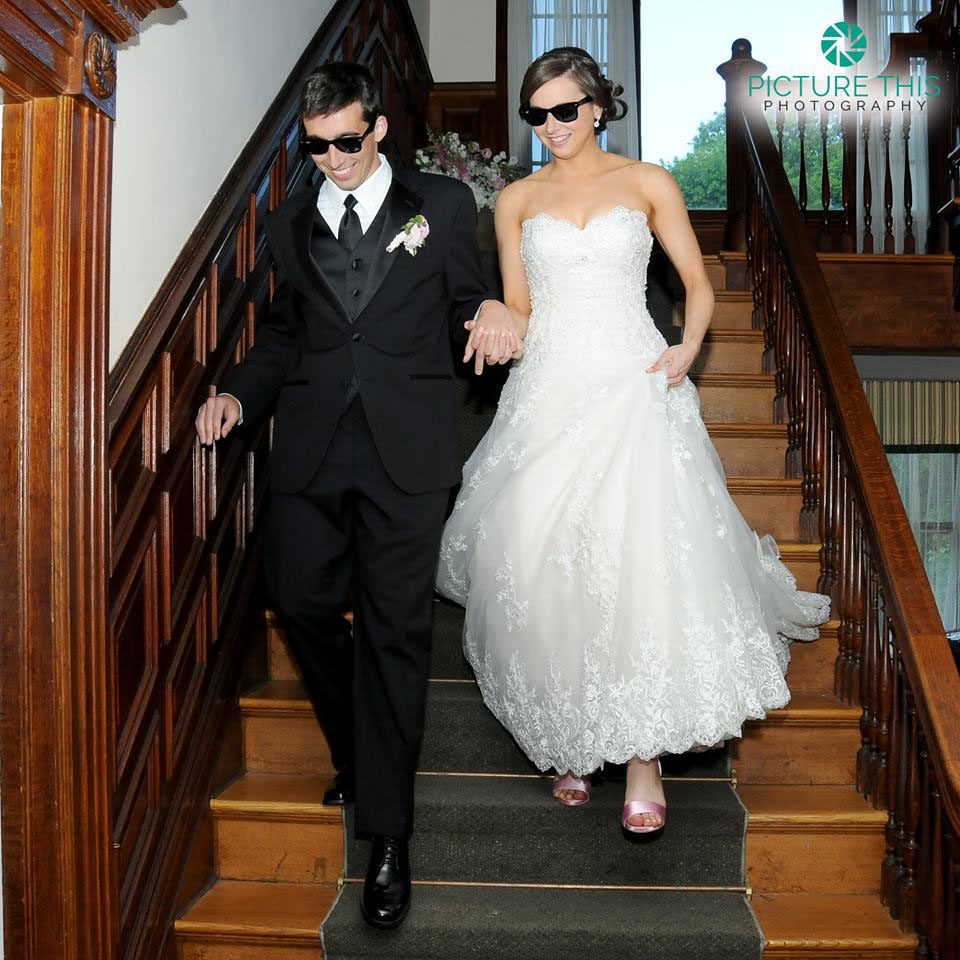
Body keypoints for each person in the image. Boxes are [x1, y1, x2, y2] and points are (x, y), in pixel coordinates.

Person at [439, 46, 830, 834]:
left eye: (564, 109)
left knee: (637, 562)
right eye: (536, 114)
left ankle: (643, 757)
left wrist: (689, 346)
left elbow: (698, 283)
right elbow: (523, 304)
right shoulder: (515, 199)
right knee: (543, 563)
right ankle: (573, 735)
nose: (550, 126)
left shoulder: (648, 182)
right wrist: (499, 316)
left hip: (634, 381)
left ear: (596, 107)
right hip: (549, 391)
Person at [195, 62, 521, 929]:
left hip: (407, 453)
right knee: (297, 598)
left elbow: (465, 298)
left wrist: (490, 309)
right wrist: (238, 395)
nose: (333, 159)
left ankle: (387, 836)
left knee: (393, 635)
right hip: (312, 446)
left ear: (377, 128)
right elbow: (287, 333)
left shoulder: (441, 204)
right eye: (317, 146)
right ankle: (359, 746)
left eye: (347, 141)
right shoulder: (292, 219)